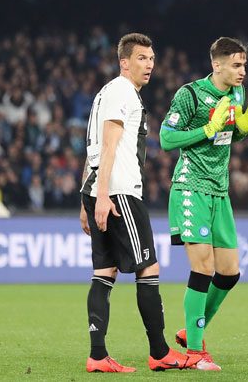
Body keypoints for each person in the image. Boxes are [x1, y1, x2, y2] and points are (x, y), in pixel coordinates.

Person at [80, 33, 194, 373]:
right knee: (148, 268)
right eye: (142, 58)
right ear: (124, 62)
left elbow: (93, 149)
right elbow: (110, 146)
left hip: (100, 189)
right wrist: (102, 197)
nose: (149, 65)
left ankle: (97, 357)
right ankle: (160, 352)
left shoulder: (105, 93)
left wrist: (84, 201)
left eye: (152, 59)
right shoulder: (121, 91)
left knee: (104, 271)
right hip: (119, 192)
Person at [159, 37, 248, 371]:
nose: (243, 71)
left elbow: (225, 135)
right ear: (216, 64)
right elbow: (165, 138)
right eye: (236, 65)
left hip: (220, 192)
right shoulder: (189, 95)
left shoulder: (236, 94)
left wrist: (241, 133)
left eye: (244, 65)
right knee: (202, 268)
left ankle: (191, 328)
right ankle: (194, 351)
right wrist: (207, 127)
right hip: (191, 188)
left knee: (230, 273)